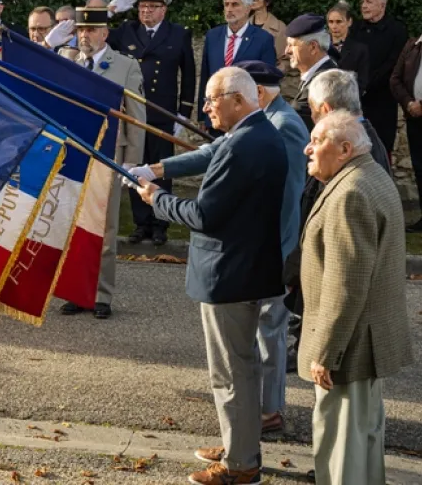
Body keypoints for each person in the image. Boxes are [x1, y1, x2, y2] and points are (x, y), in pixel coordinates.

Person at [133, 60, 307, 437]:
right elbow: (210, 153)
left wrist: (157, 198)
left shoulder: (283, 127)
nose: (207, 106)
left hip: (264, 249)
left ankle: (265, 417)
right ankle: (248, 431)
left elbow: (287, 196)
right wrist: (155, 169)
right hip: (251, 251)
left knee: (257, 345)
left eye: (213, 99)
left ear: (249, 96)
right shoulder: (255, 127)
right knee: (245, 354)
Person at [299, 110, 412, 485]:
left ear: (345, 149)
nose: (307, 149)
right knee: (363, 438)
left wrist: (327, 353)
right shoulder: (370, 175)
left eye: (317, 141)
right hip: (366, 338)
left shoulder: (350, 193)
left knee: (341, 446)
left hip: (350, 345)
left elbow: (347, 284)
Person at [284, 69, 391, 371]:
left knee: (344, 413)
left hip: (347, 333)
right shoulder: (362, 140)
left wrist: (328, 350)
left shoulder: (353, 152)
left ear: (326, 110)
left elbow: (348, 272)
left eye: (314, 112)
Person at [59, 7, 145, 319]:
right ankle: (75, 292)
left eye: (92, 30)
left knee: (105, 228)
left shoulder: (124, 65)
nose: (85, 35)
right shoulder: (68, 61)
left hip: (109, 155)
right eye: (81, 30)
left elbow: (137, 116)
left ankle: (100, 295)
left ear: (105, 34)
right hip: (73, 155)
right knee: (73, 225)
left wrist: (133, 162)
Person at [104, 0, 196, 246]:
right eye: (142, 7)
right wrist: (109, 12)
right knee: (135, 166)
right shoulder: (126, 32)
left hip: (162, 111)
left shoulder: (178, 34)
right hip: (133, 110)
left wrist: (184, 112)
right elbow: (95, 35)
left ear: (163, 10)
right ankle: (140, 222)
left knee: (161, 169)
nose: (146, 12)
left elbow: (187, 74)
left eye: (152, 7)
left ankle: (160, 224)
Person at [197, 0, 276, 128]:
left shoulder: (263, 39)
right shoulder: (213, 36)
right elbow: (206, 75)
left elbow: (267, 82)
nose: (229, 9)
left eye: (235, 4)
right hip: (215, 116)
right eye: (226, 4)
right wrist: (202, 115)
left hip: (246, 117)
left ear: (247, 8)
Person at [351, 0, 408, 153]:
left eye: (368, 2)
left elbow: (394, 64)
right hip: (357, 100)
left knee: (381, 148)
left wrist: (368, 84)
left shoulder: (397, 30)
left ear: (382, 6)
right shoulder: (355, 29)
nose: (363, 6)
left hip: (383, 101)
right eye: (362, 1)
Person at [285, 14, 337, 131]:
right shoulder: (318, 74)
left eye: (292, 45)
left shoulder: (324, 81)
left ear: (313, 47)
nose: (286, 51)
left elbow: (296, 120)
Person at [391, 33, 422, 231]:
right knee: (420, 168)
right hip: (414, 118)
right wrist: (408, 103)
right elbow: (395, 79)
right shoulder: (412, 45)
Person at [326, 0, 369, 94]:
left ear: (349, 22)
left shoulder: (360, 49)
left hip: (349, 101)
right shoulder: (322, 47)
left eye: (338, 22)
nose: (334, 26)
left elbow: (362, 82)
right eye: (331, 22)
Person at [248, 0, 289, 73]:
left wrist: (274, 72)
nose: (252, 1)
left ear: (267, 2)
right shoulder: (243, 25)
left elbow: (286, 58)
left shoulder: (280, 27)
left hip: (270, 78)